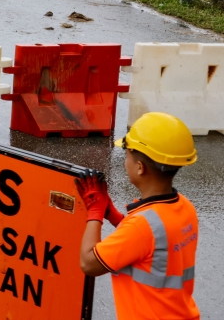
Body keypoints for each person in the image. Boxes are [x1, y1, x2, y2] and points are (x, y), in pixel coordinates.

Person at [76, 112, 199, 320]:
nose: (126, 162)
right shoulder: (185, 207)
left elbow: (88, 263)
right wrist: (113, 216)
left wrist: (95, 212)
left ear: (140, 168)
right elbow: (150, 247)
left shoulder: (142, 226)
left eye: (127, 156)